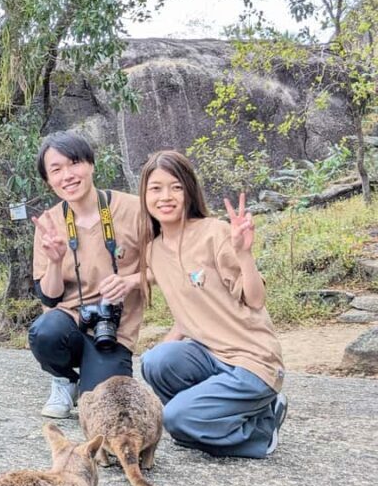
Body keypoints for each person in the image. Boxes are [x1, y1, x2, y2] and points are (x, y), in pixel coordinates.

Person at [137, 150, 287, 458]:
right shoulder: (153, 251)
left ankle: (260, 431)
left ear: (189, 191)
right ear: (145, 195)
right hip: (211, 357)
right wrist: (153, 359)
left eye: (176, 187)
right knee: (154, 362)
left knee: (177, 420)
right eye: (156, 188)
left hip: (251, 361)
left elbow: (256, 299)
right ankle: (217, 418)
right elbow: (187, 312)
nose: (166, 196)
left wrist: (244, 254)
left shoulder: (215, 232)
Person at [29, 131, 144, 418]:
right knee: (44, 332)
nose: (67, 175)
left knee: (102, 409)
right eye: (56, 170)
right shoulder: (49, 222)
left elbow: (170, 265)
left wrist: (130, 281)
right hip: (70, 321)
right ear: (48, 181)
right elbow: (49, 296)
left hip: (113, 329)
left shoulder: (133, 209)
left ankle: (91, 378)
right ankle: (65, 379)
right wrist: (55, 262)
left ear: (91, 165)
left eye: (74, 163)